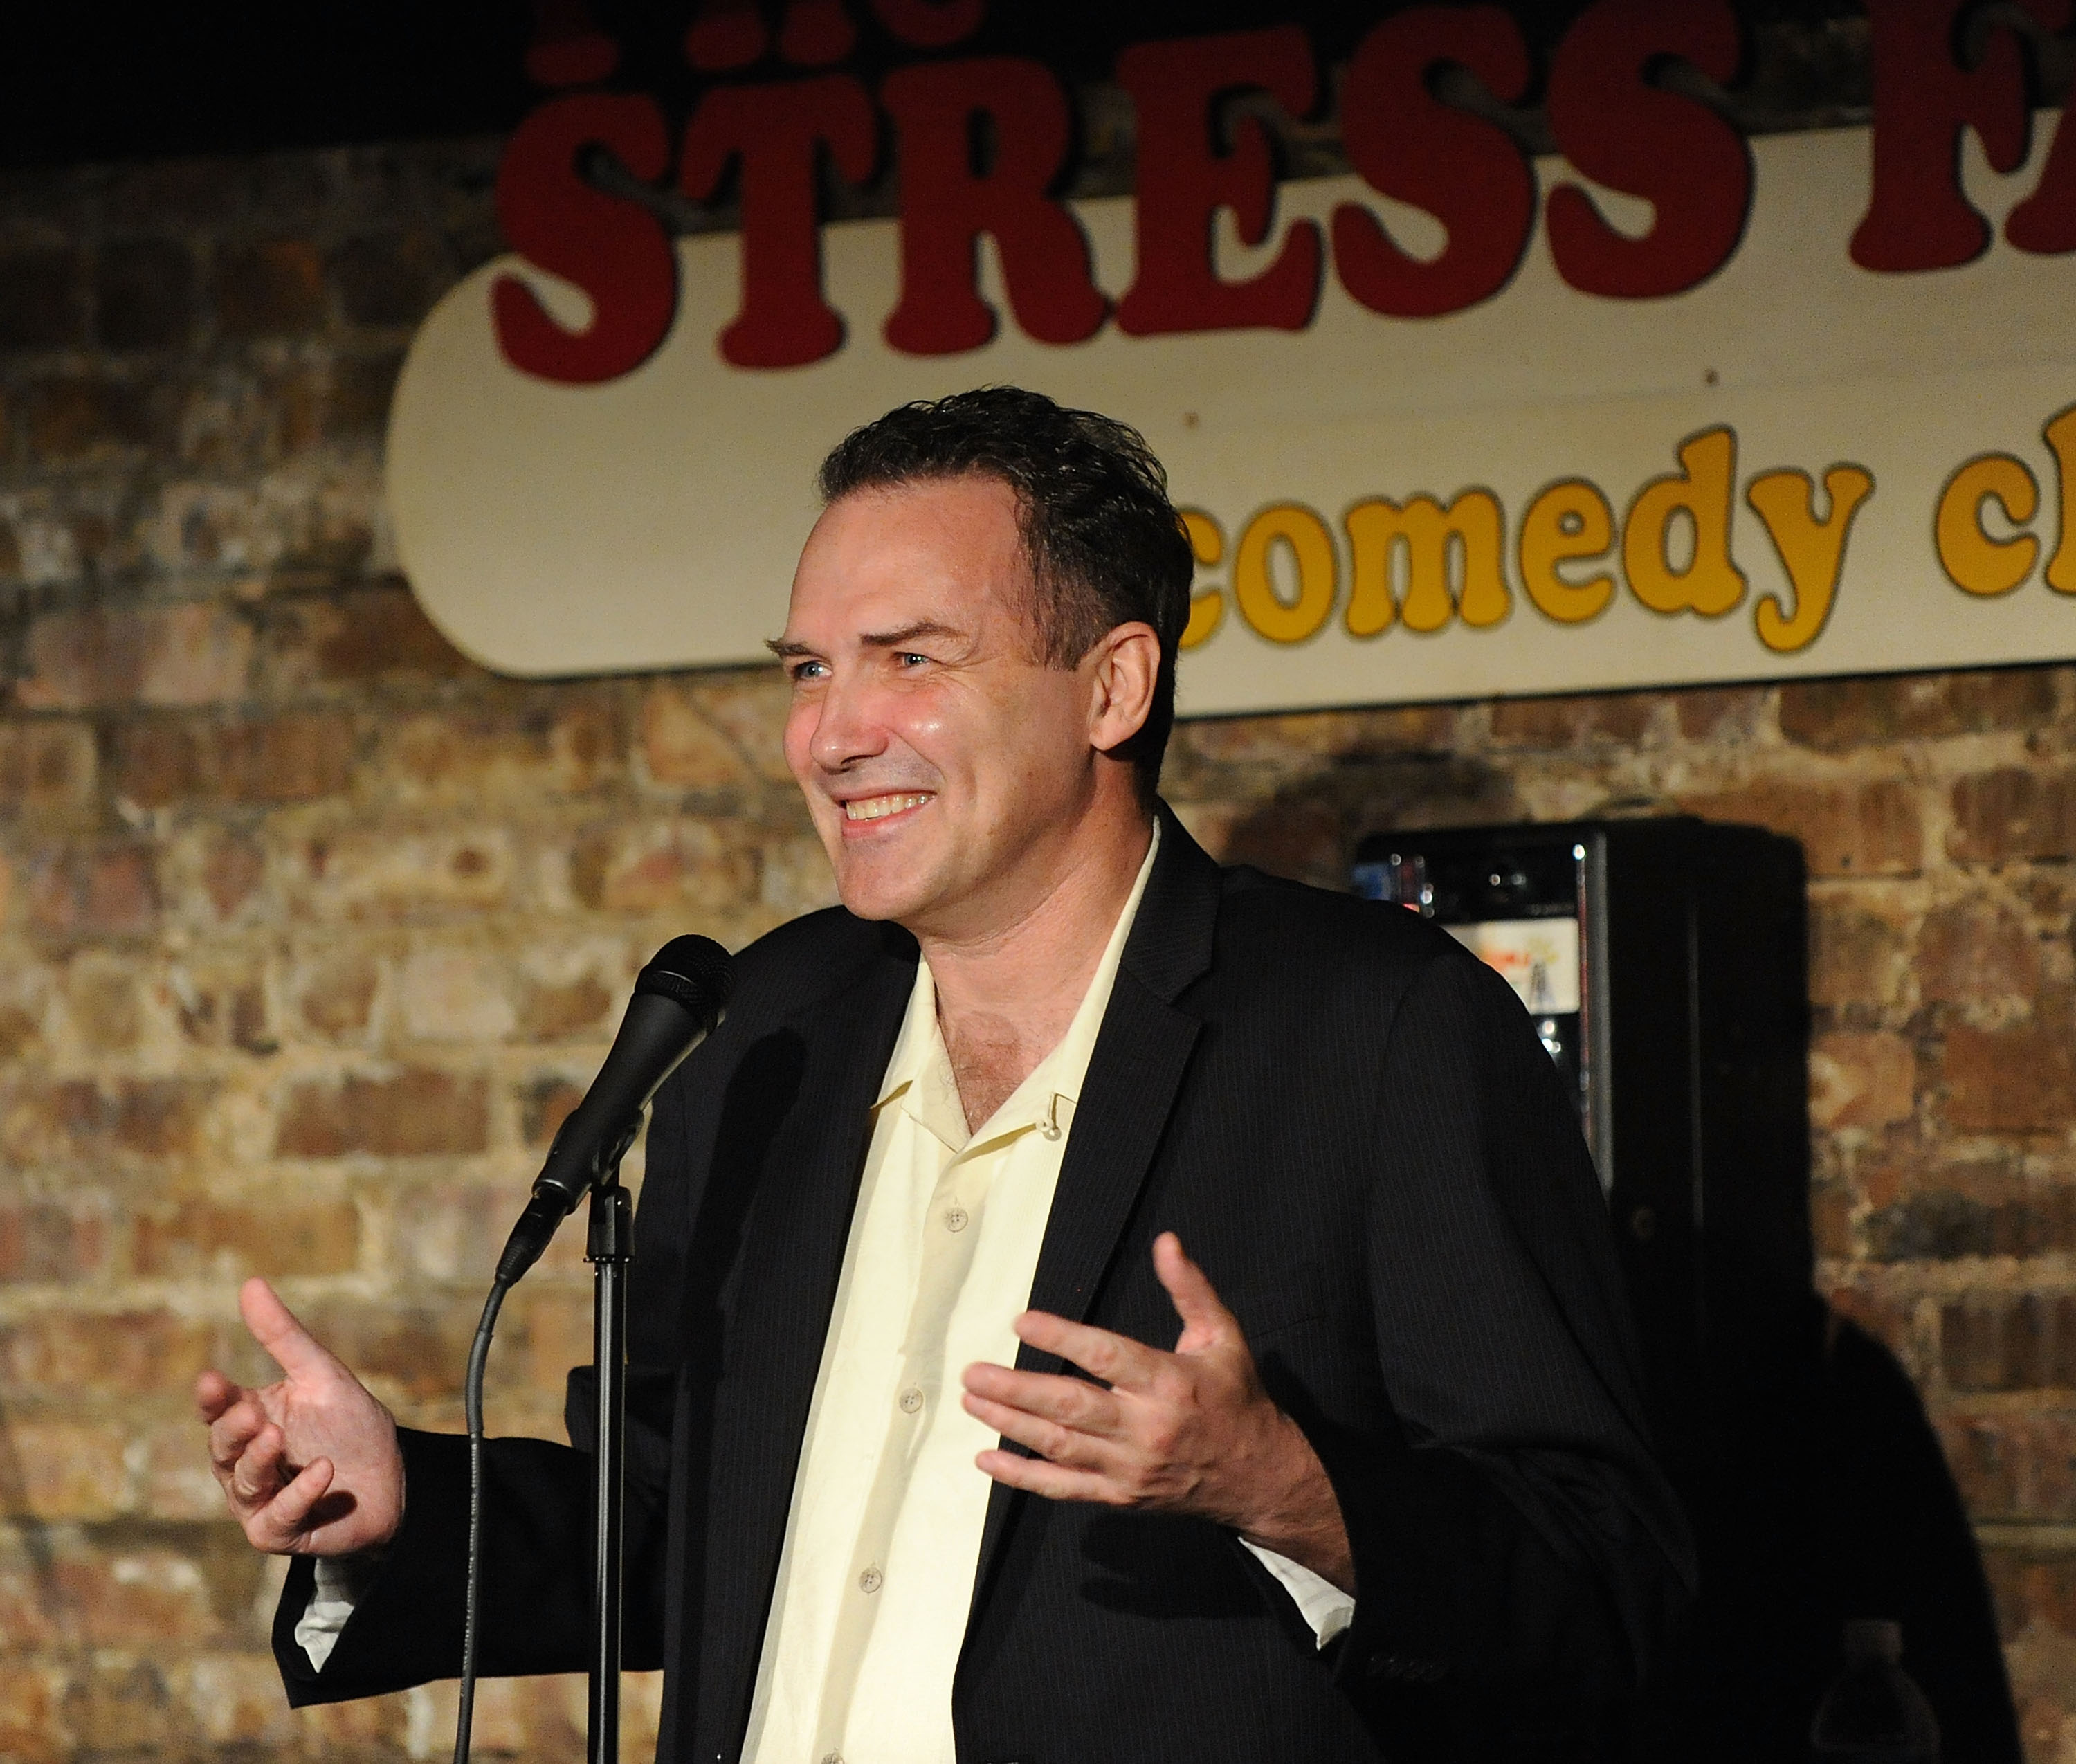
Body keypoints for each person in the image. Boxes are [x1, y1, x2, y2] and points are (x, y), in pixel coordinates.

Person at [197, 388, 1693, 1762]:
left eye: (911, 660)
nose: (836, 734)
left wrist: (1282, 1487)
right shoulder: (766, 1035)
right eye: (809, 669)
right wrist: (396, 1512)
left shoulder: (1377, 1035)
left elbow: (1611, 1583)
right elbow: (672, 1527)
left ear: (1111, 689)